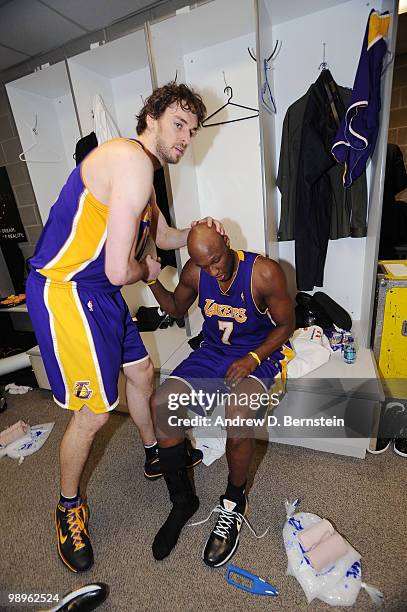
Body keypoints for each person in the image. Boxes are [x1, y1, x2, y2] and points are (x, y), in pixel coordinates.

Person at [25, 82, 226, 573]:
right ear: (151, 117)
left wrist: (198, 231)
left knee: (142, 374)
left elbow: (162, 236)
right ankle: (68, 506)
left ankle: (153, 453)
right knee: (94, 412)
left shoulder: (146, 177)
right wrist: (150, 271)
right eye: (179, 124)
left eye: (192, 131)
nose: (186, 137)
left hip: (101, 294)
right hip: (67, 291)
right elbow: (123, 269)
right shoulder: (130, 161)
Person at [148, 224, 295, 566]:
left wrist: (253, 358)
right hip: (214, 352)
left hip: (259, 353)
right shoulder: (196, 271)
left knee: (238, 415)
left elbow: (287, 325)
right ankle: (182, 501)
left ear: (227, 243)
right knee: (162, 403)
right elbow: (175, 308)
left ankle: (233, 501)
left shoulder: (264, 272)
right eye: (204, 265)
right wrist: (151, 279)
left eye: (216, 260)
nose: (213, 270)